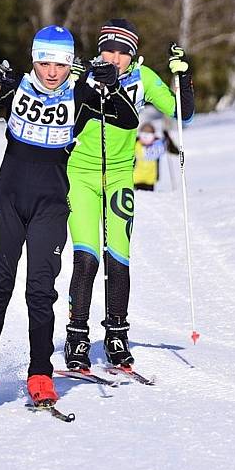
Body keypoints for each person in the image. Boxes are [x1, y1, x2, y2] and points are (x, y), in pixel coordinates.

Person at [0, 25, 139, 406]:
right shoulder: (16, 85)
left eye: (60, 64)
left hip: (52, 205)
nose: (52, 72)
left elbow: (128, 120)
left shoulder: (82, 91)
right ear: (34, 59)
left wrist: (112, 85)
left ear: (70, 63)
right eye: (44, 62)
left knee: (40, 291)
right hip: (7, 199)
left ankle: (40, 371)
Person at [64, 19, 194, 370]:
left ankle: (117, 334)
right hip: (80, 175)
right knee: (87, 257)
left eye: (124, 52)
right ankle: (76, 335)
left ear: (133, 56)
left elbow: (184, 113)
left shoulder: (143, 78)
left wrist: (182, 75)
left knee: (118, 256)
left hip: (121, 175)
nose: (116, 58)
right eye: (109, 49)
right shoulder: (83, 73)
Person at [134, 123, 180, 191]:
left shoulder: (158, 145)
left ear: (153, 134)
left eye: (149, 133)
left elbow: (175, 151)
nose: (146, 136)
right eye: (144, 132)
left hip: (150, 180)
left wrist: (168, 138)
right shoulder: (134, 143)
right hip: (134, 179)